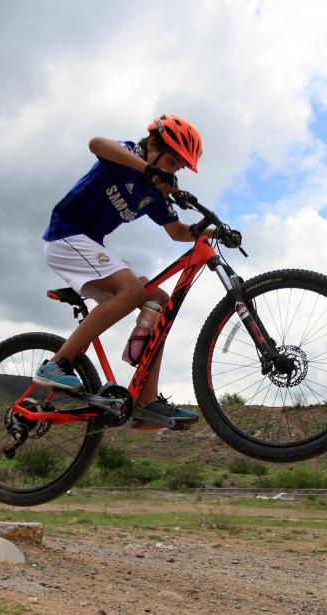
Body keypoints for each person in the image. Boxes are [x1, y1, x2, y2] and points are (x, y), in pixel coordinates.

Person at [36, 113, 219, 426]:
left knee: (160, 300)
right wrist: (148, 169)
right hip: (65, 236)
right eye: (172, 163)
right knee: (133, 289)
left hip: (90, 247)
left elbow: (177, 233)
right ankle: (57, 364)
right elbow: (96, 143)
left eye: (177, 168)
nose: (173, 171)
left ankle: (147, 403)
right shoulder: (128, 156)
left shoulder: (153, 193)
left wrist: (215, 232)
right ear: (154, 147)